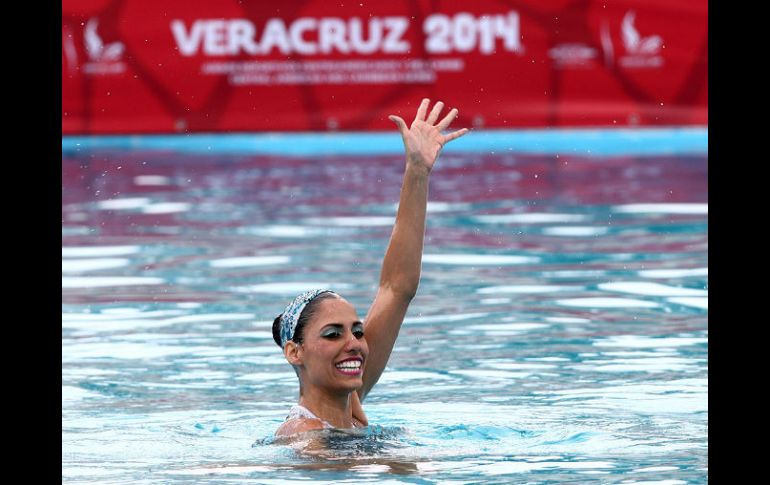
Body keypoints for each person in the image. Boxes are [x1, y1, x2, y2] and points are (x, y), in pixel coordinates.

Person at [271, 99, 469, 437]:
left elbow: (396, 287)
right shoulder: (304, 434)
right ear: (295, 352)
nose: (355, 344)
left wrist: (417, 172)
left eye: (358, 331)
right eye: (333, 334)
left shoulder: (348, 407)